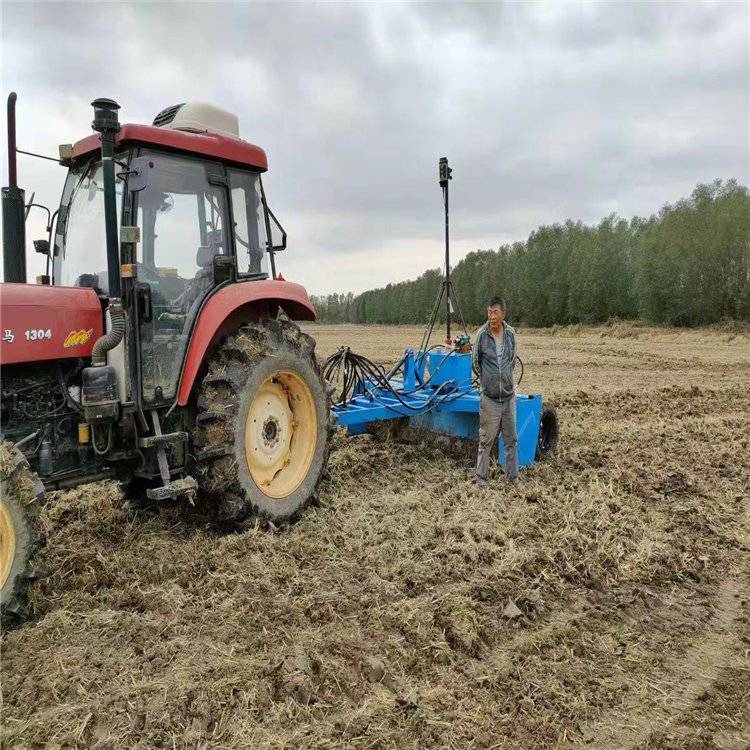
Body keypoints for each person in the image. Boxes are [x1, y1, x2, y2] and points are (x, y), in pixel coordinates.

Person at [471, 296, 518, 487]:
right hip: (490, 398)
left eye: (495, 312)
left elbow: (512, 360)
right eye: (489, 312)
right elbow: (475, 363)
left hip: (508, 397)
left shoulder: (511, 334)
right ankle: (481, 479)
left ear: (503, 314)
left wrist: (504, 379)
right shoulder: (482, 335)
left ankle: (513, 478)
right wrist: (488, 382)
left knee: (511, 439)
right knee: (486, 440)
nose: (492, 316)